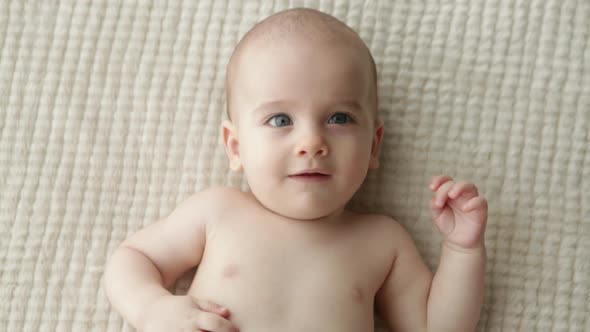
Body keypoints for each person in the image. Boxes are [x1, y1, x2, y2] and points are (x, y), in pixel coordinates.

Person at [103, 7, 488, 332]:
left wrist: (462, 250)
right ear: (235, 147)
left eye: (339, 117)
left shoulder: (381, 242)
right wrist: (152, 308)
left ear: (373, 145)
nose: (311, 142)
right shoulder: (219, 212)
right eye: (280, 120)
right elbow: (135, 257)